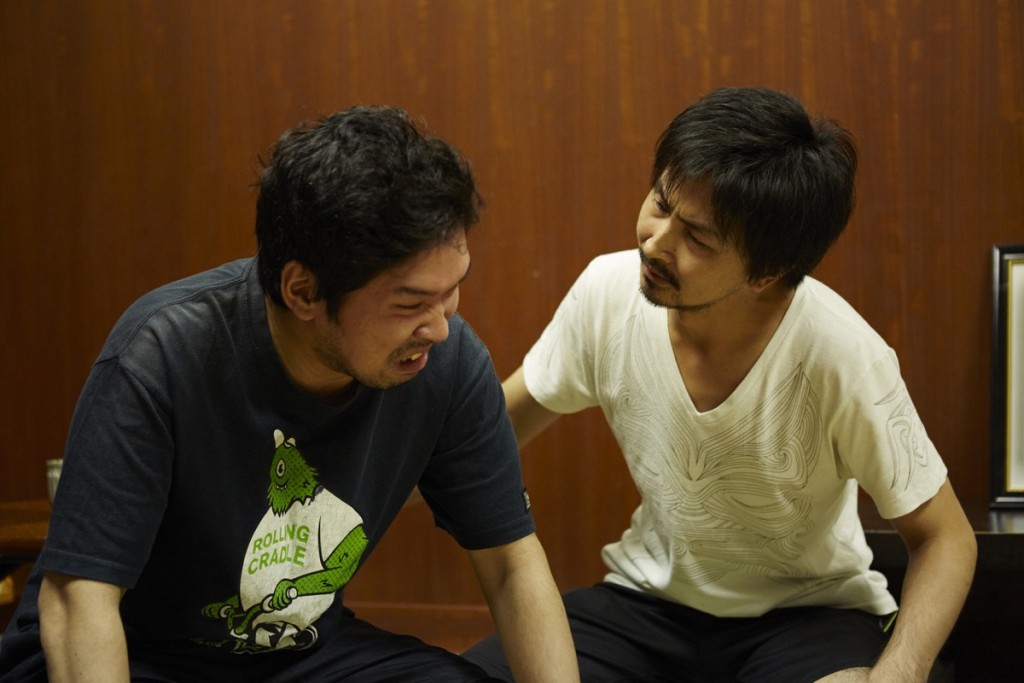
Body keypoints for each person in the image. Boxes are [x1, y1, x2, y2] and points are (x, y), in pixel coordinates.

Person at [0, 106, 578, 683]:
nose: (440, 327)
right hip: (136, 652)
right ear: (302, 290)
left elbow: (510, 565)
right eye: (410, 303)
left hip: (297, 652)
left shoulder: (446, 362)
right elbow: (78, 601)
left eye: (451, 291)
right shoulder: (162, 355)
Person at [464, 87, 977, 682]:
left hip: (808, 616)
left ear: (767, 272)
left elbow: (946, 538)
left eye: (698, 238)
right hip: (645, 602)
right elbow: (487, 437)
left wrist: (901, 673)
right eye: (660, 203)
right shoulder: (608, 294)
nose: (656, 242)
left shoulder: (841, 354)